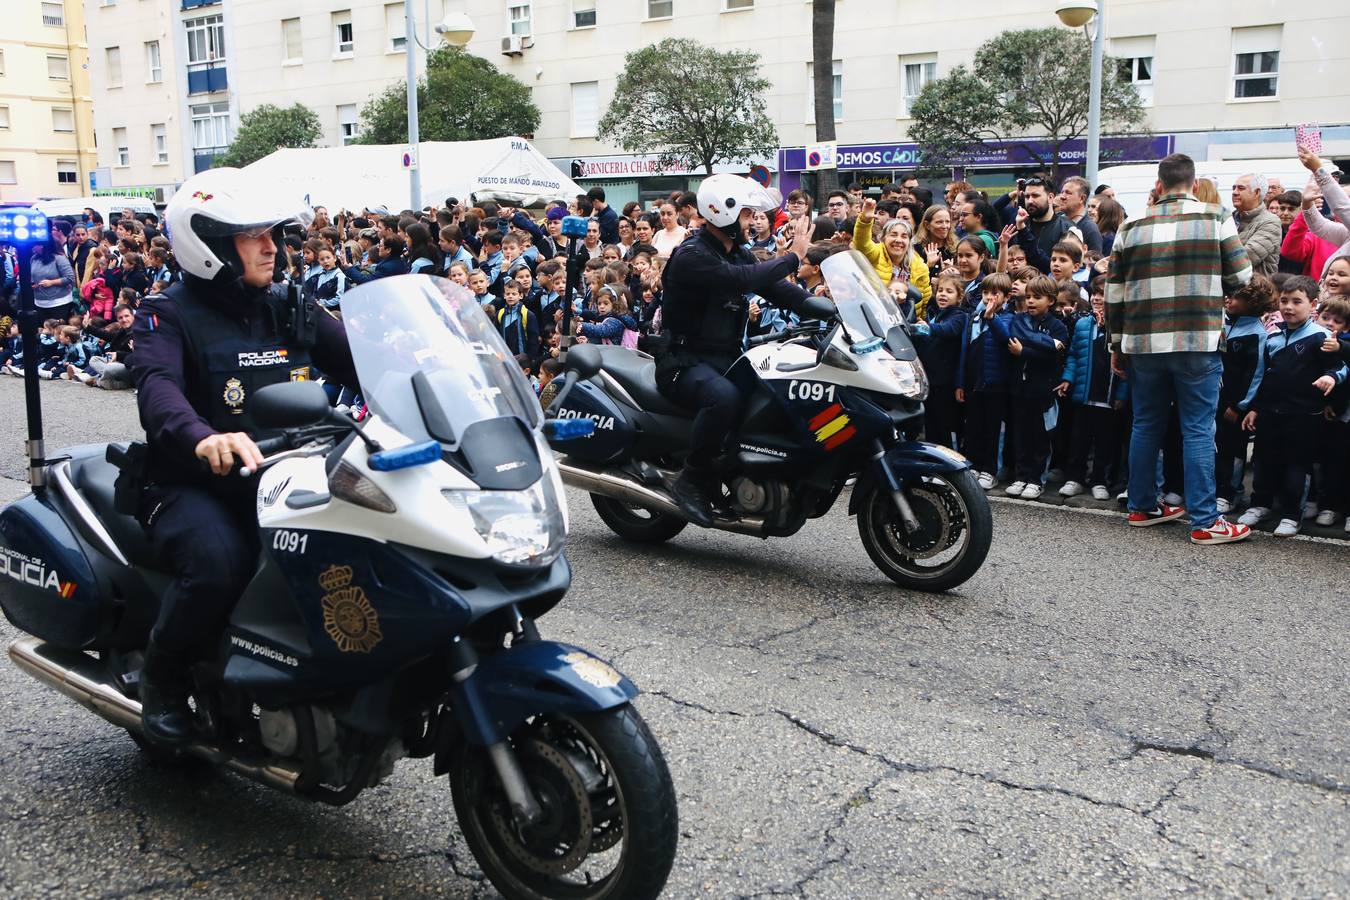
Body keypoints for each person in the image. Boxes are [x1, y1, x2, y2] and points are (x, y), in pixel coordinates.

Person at [131, 169, 360, 746]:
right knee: (218, 564)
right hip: (194, 483)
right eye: (252, 235)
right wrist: (201, 436)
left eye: (274, 234)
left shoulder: (289, 304)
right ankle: (161, 677)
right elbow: (157, 388)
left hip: (289, 473)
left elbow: (363, 363)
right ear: (207, 243)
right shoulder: (166, 312)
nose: (271, 247)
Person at [1106, 153, 1253, 544]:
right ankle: (1205, 521)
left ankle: (1142, 505)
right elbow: (1241, 276)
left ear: (1160, 183)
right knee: (1198, 429)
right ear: (1191, 181)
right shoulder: (1215, 216)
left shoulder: (1131, 224)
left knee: (1146, 424)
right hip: (1197, 338)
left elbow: (1114, 293)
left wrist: (1116, 346)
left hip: (1143, 342)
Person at [656, 174, 815, 526]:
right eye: (746, 214)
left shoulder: (735, 251)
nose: (753, 221)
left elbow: (775, 289)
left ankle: (737, 473)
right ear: (724, 213)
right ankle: (691, 480)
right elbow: (741, 280)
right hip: (683, 361)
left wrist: (828, 310)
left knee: (771, 394)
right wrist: (792, 258)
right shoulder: (692, 255)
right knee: (724, 399)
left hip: (722, 357)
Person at [1238, 276, 1346, 537]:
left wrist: (1330, 378)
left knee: (1298, 465)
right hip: (1270, 412)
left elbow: (1340, 367)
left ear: (1313, 305)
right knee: (1263, 460)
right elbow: (1262, 375)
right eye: (1284, 301)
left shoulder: (1321, 337)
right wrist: (1253, 407)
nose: (1288, 307)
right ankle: (1260, 505)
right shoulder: (1272, 335)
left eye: (1297, 301)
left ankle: (1291, 515)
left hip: (1305, 415)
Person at [1056, 278, 1127, 500]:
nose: (1097, 298)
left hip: (1108, 396)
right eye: (1095, 293)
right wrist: (1068, 378)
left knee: (1105, 442)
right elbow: (1074, 355)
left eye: (1103, 294)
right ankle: (1074, 478)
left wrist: (1122, 395)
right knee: (1079, 439)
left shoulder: (1121, 326)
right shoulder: (1083, 324)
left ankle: (1099, 480)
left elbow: (1127, 365)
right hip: (1084, 394)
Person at [1004, 276, 1069, 499]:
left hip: (1043, 391)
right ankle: (1021, 476)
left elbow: (1053, 357)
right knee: (1021, 435)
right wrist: (1045, 343)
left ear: (1050, 301)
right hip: (1019, 389)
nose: (1030, 301)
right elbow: (1017, 337)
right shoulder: (1020, 319)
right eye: (1028, 296)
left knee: (1040, 437)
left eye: (1037, 297)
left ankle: (1035, 479)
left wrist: (1026, 351)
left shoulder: (1058, 327)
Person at [1214, 275, 1274, 514]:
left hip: (1235, 407)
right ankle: (1215, 488)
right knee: (1216, 446)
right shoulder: (1224, 323)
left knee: (1233, 450)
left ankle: (1231, 492)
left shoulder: (1257, 334)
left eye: (1236, 296)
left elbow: (1256, 375)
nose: (1229, 299)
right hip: (1215, 399)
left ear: (1253, 302)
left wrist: (1240, 406)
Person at [957, 272, 1015, 489]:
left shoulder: (1009, 318)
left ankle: (990, 470)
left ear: (1007, 297)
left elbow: (1007, 338)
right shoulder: (973, 317)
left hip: (996, 384)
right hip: (974, 382)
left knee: (992, 429)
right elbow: (964, 351)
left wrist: (992, 318)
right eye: (985, 292)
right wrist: (960, 383)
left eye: (995, 293)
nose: (989, 297)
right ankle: (973, 465)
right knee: (973, 427)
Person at [1231, 173, 1283, 277]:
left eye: (1241, 188)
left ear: (1257, 192)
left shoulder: (1271, 222)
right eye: (1233, 188)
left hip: (1256, 291)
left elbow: (1244, 259)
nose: (1234, 192)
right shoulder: (1229, 218)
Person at [30, 236, 78, 322]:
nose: (32, 246)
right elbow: (32, 277)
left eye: (35, 244)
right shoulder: (34, 259)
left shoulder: (59, 259)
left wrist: (52, 282)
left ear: (42, 245)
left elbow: (70, 278)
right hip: (39, 302)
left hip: (59, 302)